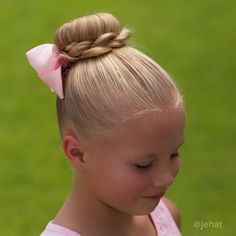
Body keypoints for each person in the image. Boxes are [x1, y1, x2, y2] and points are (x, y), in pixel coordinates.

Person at [26, 12, 185, 236]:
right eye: (143, 165)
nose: (166, 177)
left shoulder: (165, 217)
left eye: (173, 154)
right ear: (78, 153)